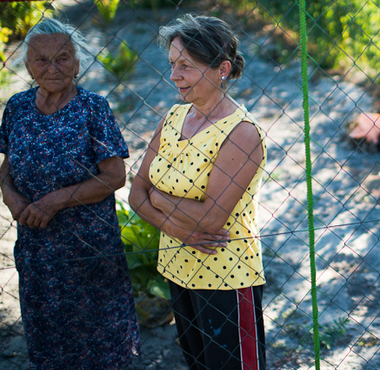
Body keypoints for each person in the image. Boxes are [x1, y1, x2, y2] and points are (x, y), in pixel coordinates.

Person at [128, 14, 267, 370]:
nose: (174, 75)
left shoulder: (241, 132)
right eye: (173, 64)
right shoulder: (173, 118)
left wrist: (158, 199)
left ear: (221, 69)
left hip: (227, 277)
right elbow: (135, 192)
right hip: (177, 268)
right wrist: (175, 227)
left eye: (186, 66)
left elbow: (211, 218)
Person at [0, 18, 139, 369]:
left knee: (100, 342)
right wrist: (11, 197)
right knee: (48, 338)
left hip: (89, 248)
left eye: (63, 58)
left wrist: (55, 200)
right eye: (41, 59)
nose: (52, 67)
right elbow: (7, 166)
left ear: (78, 64)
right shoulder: (16, 108)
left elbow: (114, 176)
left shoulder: (93, 108)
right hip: (36, 247)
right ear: (28, 65)